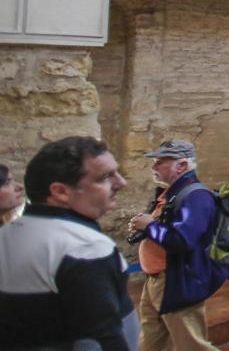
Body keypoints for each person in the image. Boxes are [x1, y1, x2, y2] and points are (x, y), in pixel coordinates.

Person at [0, 136, 137, 351]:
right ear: (61, 192)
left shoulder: (7, 234)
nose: (121, 183)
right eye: (105, 177)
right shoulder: (83, 246)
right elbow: (101, 338)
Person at [128, 139, 224, 351]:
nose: (154, 166)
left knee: (192, 345)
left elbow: (182, 240)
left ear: (181, 165)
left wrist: (150, 226)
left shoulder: (197, 196)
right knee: (153, 342)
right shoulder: (171, 192)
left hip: (177, 281)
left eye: (160, 161)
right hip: (157, 280)